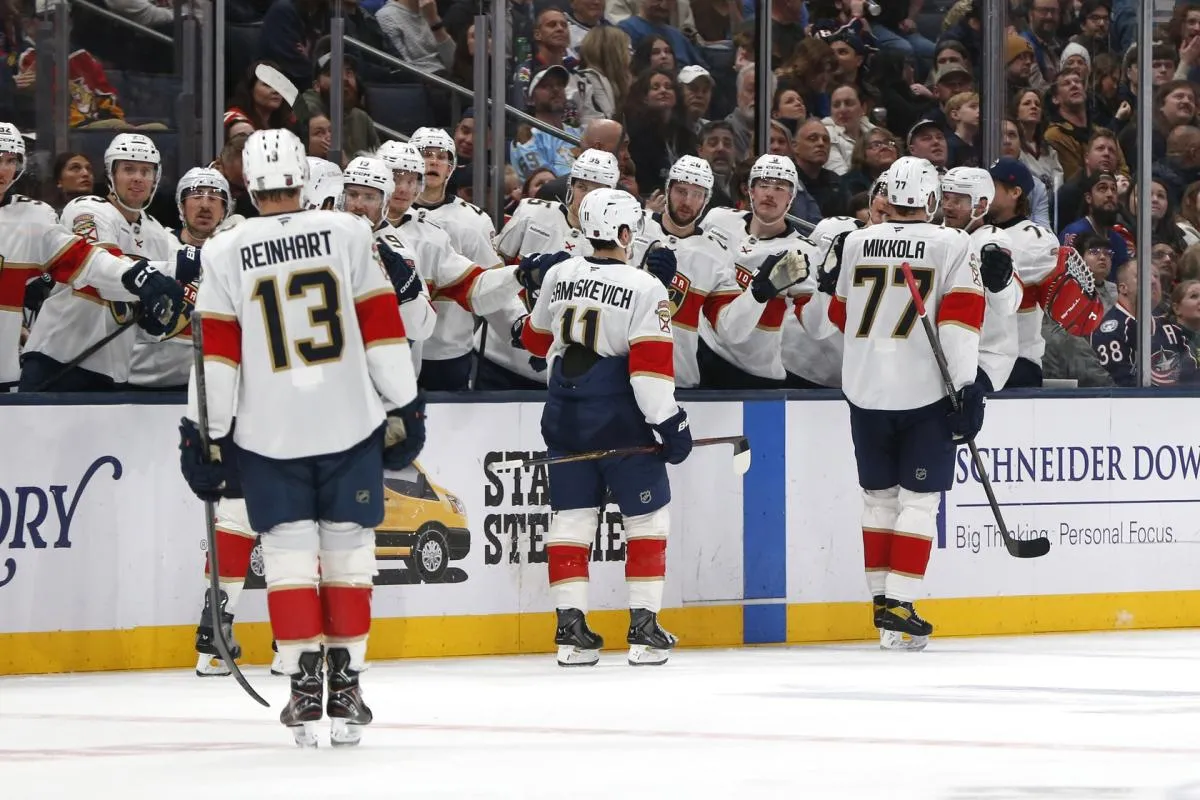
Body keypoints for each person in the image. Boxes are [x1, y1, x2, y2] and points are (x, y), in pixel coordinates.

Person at [180, 128, 426, 747]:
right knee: (349, 559)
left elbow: (216, 357)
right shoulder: (348, 234)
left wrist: (203, 434)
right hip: (349, 425)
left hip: (269, 435)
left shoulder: (225, 249)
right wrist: (405, 402)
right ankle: (347, 688)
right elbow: (380, 325)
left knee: (289, 562)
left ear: (246, 183)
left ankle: (302, 684)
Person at [510, 187, 692, 666]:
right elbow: (649, 376)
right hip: (620, 422)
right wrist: (672, 426)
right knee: (648, 520)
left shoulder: (560, 272)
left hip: (563, 416)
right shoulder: (645, 286)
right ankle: (644, 627)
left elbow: (533, 338)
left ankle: (570, 632)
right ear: (626, 232)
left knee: (570, 520)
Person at [825, 155, 984, 651]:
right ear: (932, 200)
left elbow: (839, 313)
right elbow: (960, 323)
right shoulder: (952, 243)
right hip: (925, 392)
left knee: (878, 499)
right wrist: (966, 389)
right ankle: (900, 602)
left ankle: (882, 604)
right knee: (918, 502)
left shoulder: (854, 241)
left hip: (864, 390)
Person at [0, 124, 186, 393]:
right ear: (111, 174)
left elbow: (86, 262)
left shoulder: (33, 218)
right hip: (58, 358)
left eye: (145, 171)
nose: (137, 178)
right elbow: (99, 271)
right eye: (128, 169)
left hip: (112, 369)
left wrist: (153, 318)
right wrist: (156, 275)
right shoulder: (86, 209)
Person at [376, 140, 518, 390]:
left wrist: (518, 276)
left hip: (414, 367)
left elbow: (474, 288)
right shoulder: (342, 227)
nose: (403, 188)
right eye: (396, 178)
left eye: (411, 180)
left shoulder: (431, 236)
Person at [485, 149, 621, 387]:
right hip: (495, 356)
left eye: (598, 191)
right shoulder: (531, 212)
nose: (588, 198)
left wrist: (557, 348)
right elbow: (492, 274)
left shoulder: (615, 245)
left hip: (557, 374)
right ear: (570, 186)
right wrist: (515, 325)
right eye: (583, 188)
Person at [628, 156, 765, 388]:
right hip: (624, 372)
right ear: (668, 189)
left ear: (706, 200)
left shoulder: (716, 254)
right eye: (681, 191)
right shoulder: (632, 227)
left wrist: (758, 294)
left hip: (678, 377)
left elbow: (729, 330)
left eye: (697, 194)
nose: (688, 201)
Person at [695, 154, 816, 389]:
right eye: (763, 185)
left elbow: (814, 322)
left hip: (752, 372)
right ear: (750, 190)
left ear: (791, 198)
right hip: (702, 350)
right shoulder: (718, 219)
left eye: (780, 187)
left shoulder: (803, 252)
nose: (770, 193)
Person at [984, 157, 1104, 388]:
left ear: (1015, 192)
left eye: (993, 186)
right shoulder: (975, 231)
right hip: (981, 358)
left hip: (1017, 361)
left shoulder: (1035, 239)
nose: (985, 192)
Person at [129, 168, 234, 393]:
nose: (205, 205)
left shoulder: (234, 256)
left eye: (215, 198)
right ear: (181, 206)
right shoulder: (155, 242)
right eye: (196, 196)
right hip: (138, 383)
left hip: (206, 388)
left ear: (225, 210)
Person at [340, 155, 437, 372]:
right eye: (352, 194)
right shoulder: (330, 235)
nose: (357, 205)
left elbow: (423, 327)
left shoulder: (398, 251)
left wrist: (406, 294)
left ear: (385, 202)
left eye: (369, 197)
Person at [941, 167, 1022, 392]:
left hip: (984, 360)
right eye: (946, 197)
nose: (948, 206)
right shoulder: (937, 238)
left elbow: (1008, 304)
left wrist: (1000, 283)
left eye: (959, 200)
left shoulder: (993, 240)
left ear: (981, 205)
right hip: (944, 358)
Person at [1091, 259, 1197, 386]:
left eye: (1156, 276)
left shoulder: (1170, 329)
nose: (1152, 281)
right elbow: (1122, 388)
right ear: (1123, 288)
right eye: (1143, 276)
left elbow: (1192, 377)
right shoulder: (1111, 331)